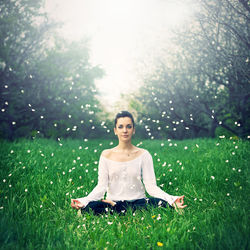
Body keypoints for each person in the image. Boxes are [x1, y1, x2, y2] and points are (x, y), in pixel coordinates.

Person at [71, 111, 187, 215]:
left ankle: (121, 210)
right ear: (115, 130)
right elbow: (101, 186)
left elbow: (151, 186)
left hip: (139, 202)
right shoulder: (106, 155)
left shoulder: (144, 154)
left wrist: (171, 200)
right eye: (120, 127)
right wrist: (84, 201)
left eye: (129, 127)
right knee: (89, 208)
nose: (125, 130)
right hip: (113, 202)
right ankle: (115, 207)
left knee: (160, 204)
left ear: (134, 129)